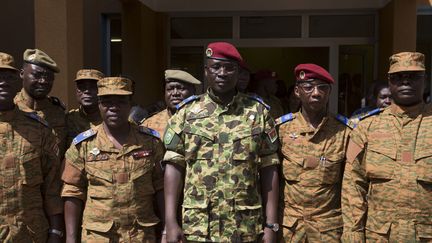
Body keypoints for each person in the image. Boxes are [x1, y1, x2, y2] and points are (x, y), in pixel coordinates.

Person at [163, 42, 280, 243]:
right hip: (199, 227)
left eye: (229, 68)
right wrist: (170, 222)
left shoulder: (257, 113)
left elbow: (270, 168)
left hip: (245, 226)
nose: (222, 73)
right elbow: (174, 167)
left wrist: (271, 224)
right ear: (206, 71)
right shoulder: (186, 114)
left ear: (239, 73)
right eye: (216, 67)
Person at [61, 77, 165, 242]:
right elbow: (72, 191)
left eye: (121, 102)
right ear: (99, 105)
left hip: (140, 235)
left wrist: (166, 228)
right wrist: (71, 238)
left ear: (131, 104)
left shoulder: (151, 142)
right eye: (107, 102)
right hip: (98, 236)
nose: (114, 108)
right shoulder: (83, 145)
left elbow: (161, 186)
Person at [342, 52, 432, 242]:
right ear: (389, 83)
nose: (405, 82)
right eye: (398, 77)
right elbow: (353, 185)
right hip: (379, 236)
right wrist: (353, 234)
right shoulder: (366, 127)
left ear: (425, 81)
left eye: (414, 76)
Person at [277, 64, 350, 242]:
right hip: (290, 229)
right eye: (308, 87)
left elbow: (351, 185)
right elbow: (272, 180)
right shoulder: (282, 129)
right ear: (297, 91)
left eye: (322, 88)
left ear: (329, 92)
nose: (316, 93)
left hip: (328, 230)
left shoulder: (345, 131)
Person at [0, 52, 63, 242]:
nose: (3, 82)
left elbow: (52, 187)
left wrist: (56, 231)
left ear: (17, 79)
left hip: (30, 233)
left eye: (8, 77)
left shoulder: (40, 129)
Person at [14, 49, 67, 157]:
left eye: (48, 77)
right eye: (37, 75)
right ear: (22, 74)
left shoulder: (58, 111)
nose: (43, 81)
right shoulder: (11, 108)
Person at [142, 69, 200, 138]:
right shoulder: (150, 124)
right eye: (170, 89)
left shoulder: (205, 120)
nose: (175, 93)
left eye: (181, 88)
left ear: (193, 91)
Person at [65, 69, 104, 146]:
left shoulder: (111, 121)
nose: (87, 91)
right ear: (76, 91)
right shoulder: (68, 120)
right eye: (82, 87)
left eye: (93, 87)